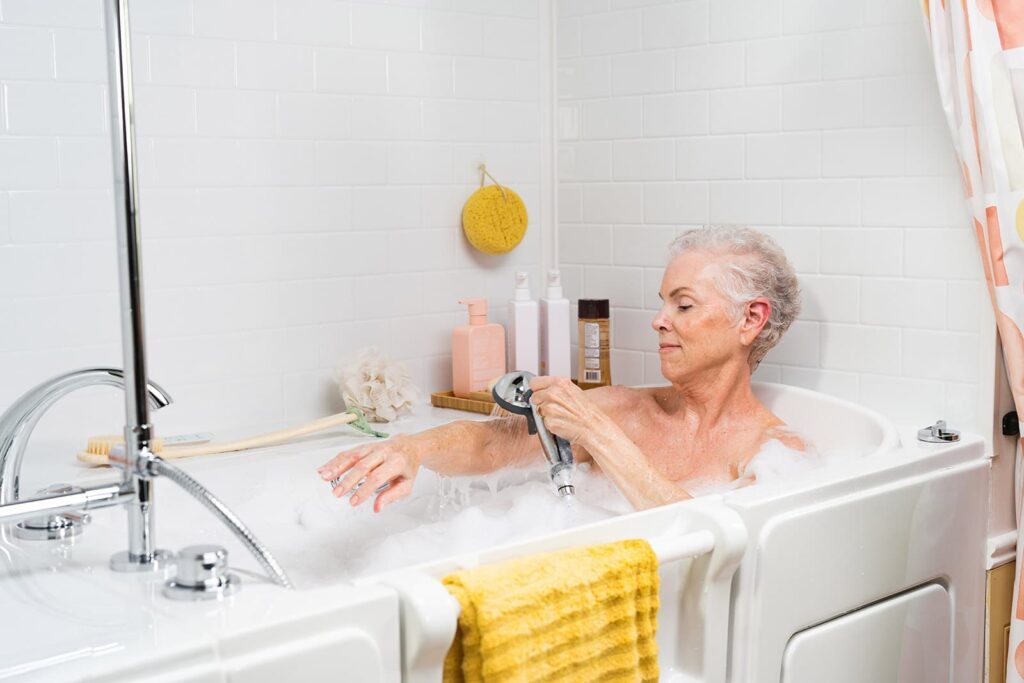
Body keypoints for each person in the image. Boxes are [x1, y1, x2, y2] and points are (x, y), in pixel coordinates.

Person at [318, 225, 804, 512]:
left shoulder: (774, 454)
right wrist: (413, 449)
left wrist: (599, 434)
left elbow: (716, 546)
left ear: (751, 319)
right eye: (663, 304)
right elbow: (495, 442)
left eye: (684, 306)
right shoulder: (628, 410)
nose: (659, 321)